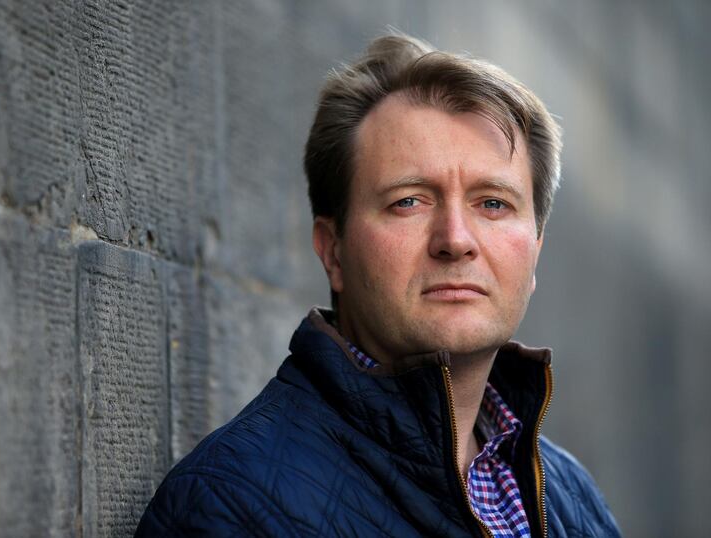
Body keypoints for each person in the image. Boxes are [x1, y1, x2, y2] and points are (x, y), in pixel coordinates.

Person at [136, 32, 620, 537]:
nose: (455, 240)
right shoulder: (232, 506)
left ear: (536, 249)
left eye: (493, 203)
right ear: (333, 250)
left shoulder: (571, 496)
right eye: (408, 201)